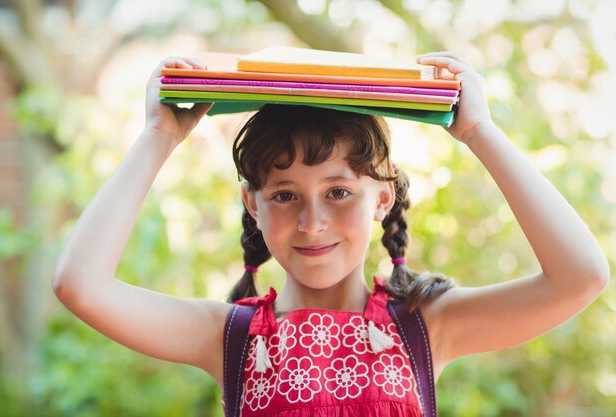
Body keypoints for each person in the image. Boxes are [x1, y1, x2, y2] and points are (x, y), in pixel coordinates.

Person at [52, 52, 610, 416]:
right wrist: (158, 135)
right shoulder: (230, 338)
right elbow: (81, 285)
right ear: (253, 205)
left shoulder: (424, 327)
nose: (312, 221)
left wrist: (480, 131)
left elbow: (580, 277)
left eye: (338, 192)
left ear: (382, 198)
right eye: (285, 194)